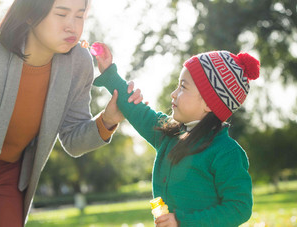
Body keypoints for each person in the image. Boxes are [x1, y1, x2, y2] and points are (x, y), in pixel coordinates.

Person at [0, 0, 143, 226]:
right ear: (30, 14)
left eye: (79, 16)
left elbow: (73, 139)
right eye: (61, 14)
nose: (72, 27)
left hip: (7, 176)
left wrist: (108, 120)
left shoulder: (79, 63)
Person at [93, 43, 260, 226]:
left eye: (183, 87)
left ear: (209, 103)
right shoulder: (168, 134)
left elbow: (239, 207)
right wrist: (109, 73)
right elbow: (137, 110)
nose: (173, 94)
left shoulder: (226, 152)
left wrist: (183, 221)